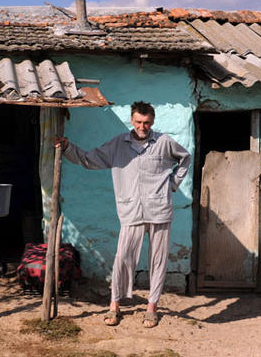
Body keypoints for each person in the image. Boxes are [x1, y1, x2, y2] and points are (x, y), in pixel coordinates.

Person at [54, 101, 191, 328]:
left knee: (158, 261)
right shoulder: (118, 144)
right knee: (122, 258)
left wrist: (173, 184)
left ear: (153, 122)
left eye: (146, 123)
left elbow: (185, 158)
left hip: (159, 210)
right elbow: (90, 159)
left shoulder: (164, 142)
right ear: (132, 120)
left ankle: (151, 308)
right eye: (138, 121)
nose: (142, 126)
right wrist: (69, 147)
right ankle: (114, 305)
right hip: (130, 210)